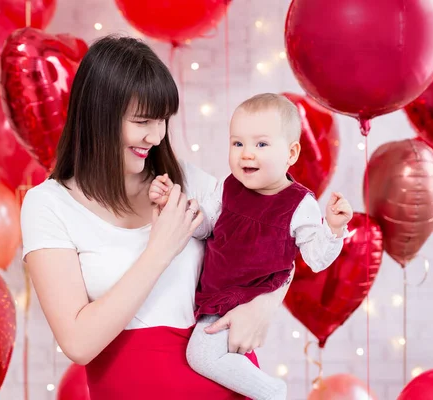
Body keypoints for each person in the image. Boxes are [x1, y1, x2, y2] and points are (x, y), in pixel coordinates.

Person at [20, 36, 291, 399]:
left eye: (163, 120)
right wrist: (160, 249)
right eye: (143, 120)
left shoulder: (188, 181)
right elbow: (79, 343)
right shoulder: (49, 205)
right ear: (98, 117)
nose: (157, 135)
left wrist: (264, 305)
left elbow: (278, 235)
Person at [149, 93, 354, 400]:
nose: (246, 154)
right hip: (214, 295)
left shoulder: (299, 204)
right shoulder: (228, 186)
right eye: (238, 143)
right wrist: (173, 204)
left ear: (291, 153)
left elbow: (316, 259)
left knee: (201, 356)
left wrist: (335, 228)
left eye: (261, 145)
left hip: (246, 298)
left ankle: (272, 392)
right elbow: (204, 227)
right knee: (206, 361)